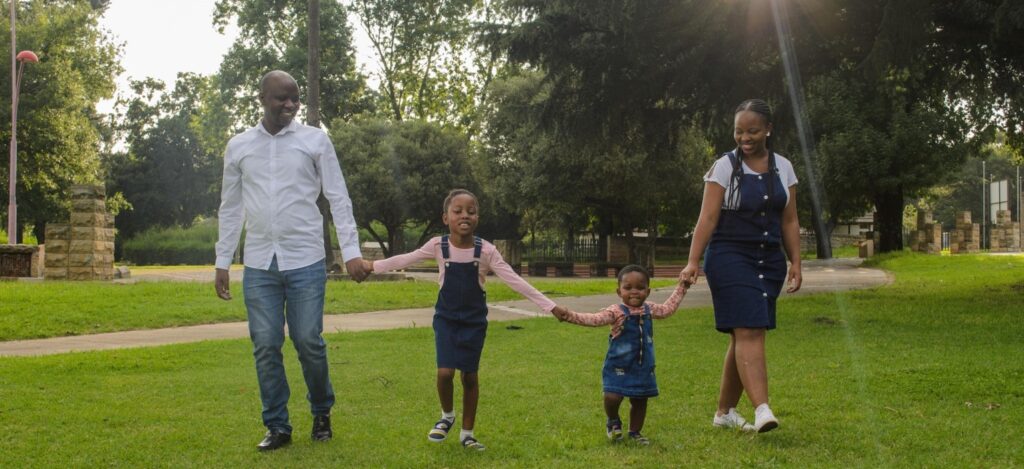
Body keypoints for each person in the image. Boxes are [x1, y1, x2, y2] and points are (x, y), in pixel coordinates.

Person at [214, 70, 370, 451]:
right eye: (281, 98)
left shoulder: (315, 141)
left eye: (295, 99)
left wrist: (351, 252)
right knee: (266, 344)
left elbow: (338, 196)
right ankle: (278, 426)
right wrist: (222, 260)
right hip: (259, 264)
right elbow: (231, 207)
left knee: (307, 341)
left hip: (305, 260)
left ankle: (321, 412)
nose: (289, 105)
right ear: (262, 98)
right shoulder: (239, 146)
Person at [365, 189, 563, 451]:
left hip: (474, 322)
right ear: (445, 217)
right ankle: (447, 416)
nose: (464, 215)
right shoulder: (438, 245)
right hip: (446, 319)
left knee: (469, 376)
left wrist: (552, 307)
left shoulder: (487, 251)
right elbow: (406, 258)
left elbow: (516, 282)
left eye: (471, 211)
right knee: (445, 372)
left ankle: (467, 434)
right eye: (457, 211)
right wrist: (371, 267)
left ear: (477, 218)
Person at [679, 99, 802, 433]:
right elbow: (707, 217)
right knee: (749, 330)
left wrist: (795, 262)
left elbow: (789, 221)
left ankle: (724, 413)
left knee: (744, 333)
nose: (744, 137)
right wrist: (692, 261)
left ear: (768, 130)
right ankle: (762, 408)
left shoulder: (784, 167)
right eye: (739, 131)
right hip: (729, 255)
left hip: (769, 259)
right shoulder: (724, 167)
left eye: (752, 130)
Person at [552, 265, 687, 445]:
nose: (634, 292)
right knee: (612, 396)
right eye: (628, 287)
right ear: (619, 291)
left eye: (640, 288)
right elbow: (593, 319)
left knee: (640, 400)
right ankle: (613, 420)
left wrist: (682, 286)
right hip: (618, 366)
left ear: (648, 291)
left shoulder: (650, 309)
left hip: (643, 366)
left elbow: (668, 308)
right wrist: (569, 315)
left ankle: (635, 432)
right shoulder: (615, 312)